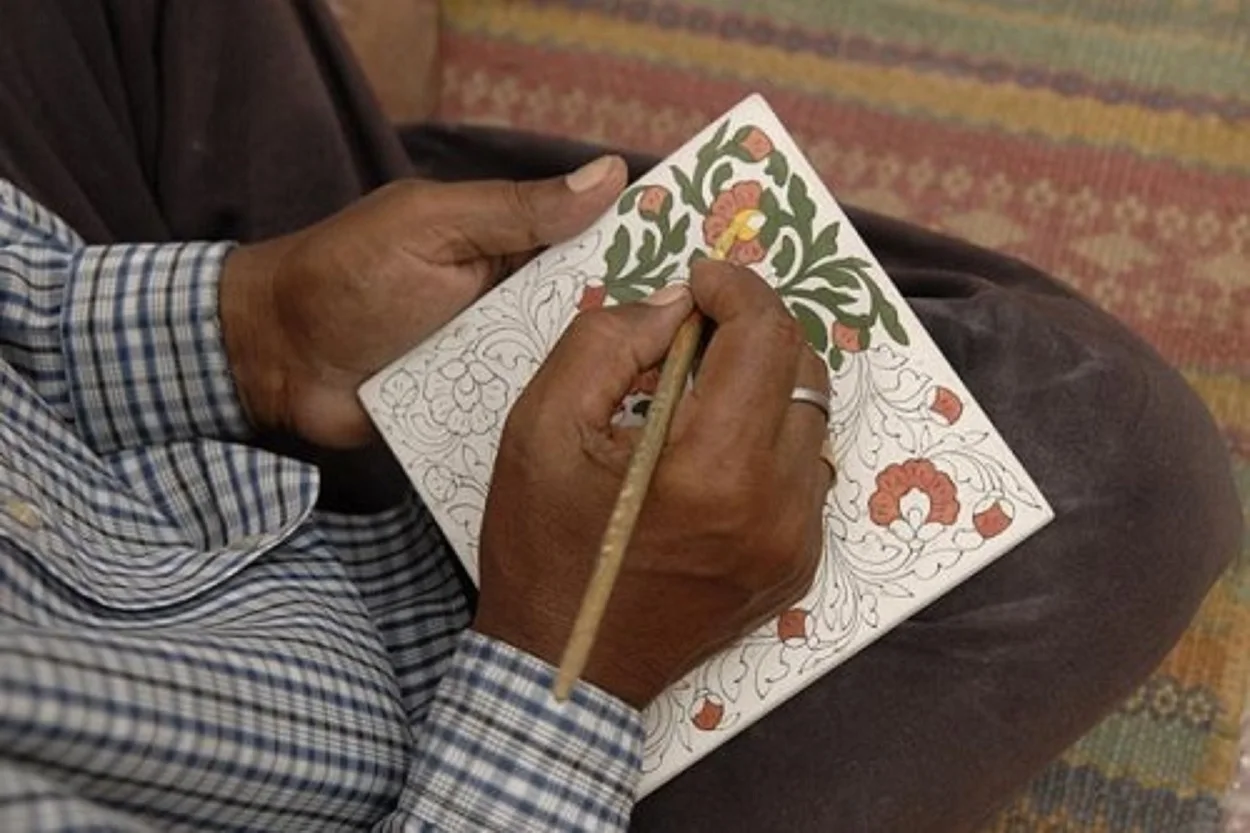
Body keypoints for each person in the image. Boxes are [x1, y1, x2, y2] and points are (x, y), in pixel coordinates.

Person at [0, 2, 1241, 832]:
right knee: (1112, 460)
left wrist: (251, 324)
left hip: (109, 419)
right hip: (461, 754)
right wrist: (573, 658)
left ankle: (350, 213)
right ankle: (367, 171)